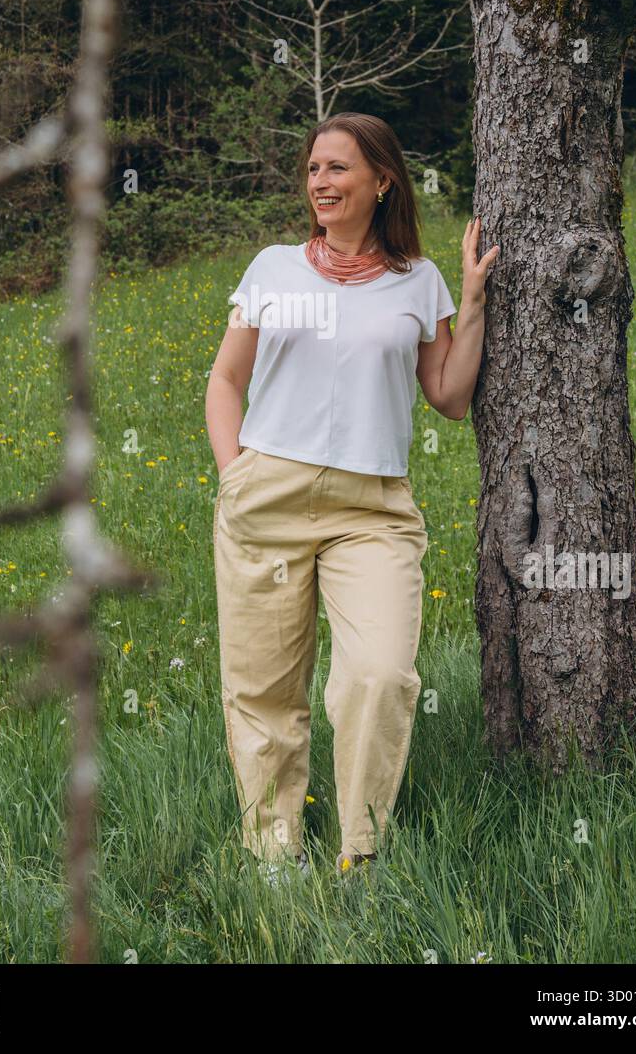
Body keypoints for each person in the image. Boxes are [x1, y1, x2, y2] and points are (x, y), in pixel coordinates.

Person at [204, 112, 499, 881]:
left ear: (382, 181)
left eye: (338, 169)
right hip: (266, 496)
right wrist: (235, 474)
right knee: (265, 689)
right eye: (312, 171)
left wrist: (469, 303)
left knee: (380, 675)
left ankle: (358, 853)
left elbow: (450, 395)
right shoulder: (273, 267)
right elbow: (225, 380)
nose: (321, 183)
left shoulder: (417, 280)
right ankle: (274, 854)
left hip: (372, 510)